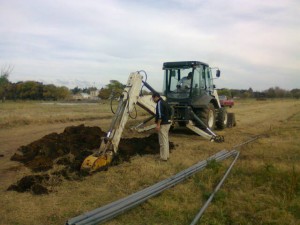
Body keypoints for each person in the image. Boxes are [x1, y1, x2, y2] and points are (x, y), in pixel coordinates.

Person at [152, 92, 172, 161]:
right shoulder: (165, 102)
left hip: (163, 124)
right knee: (165, 140)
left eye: (153, 98)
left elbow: (160, 115)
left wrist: (158, 125)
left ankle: (163, 158)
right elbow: (171, 111)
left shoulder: (159, 103)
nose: (153, 100)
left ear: (156, 97)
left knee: (162, 142)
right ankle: (166, 156)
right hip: (168, 123)